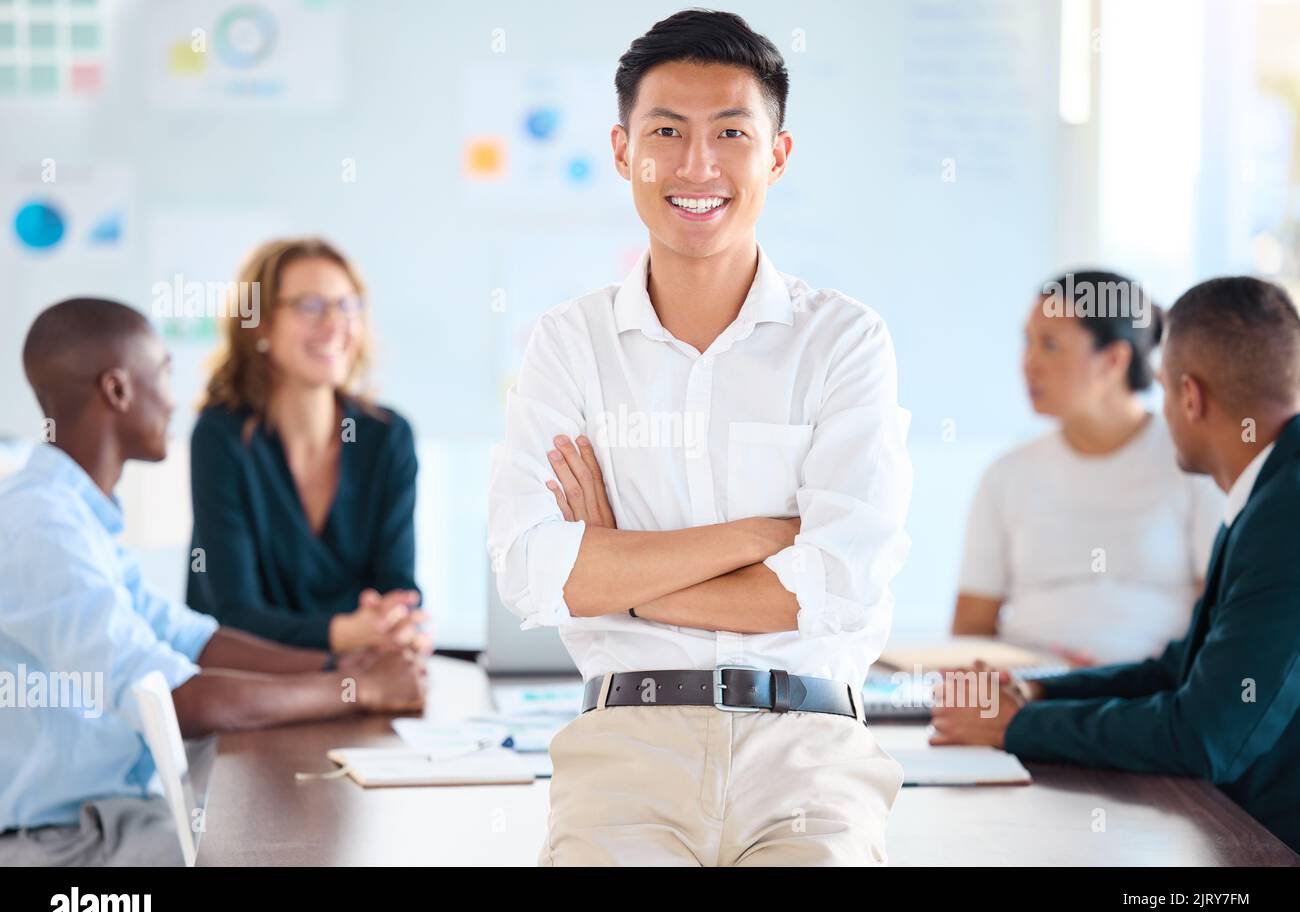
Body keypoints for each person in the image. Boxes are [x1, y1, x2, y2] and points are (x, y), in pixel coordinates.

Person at [487, 10, 911, 866]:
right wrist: (756, 539)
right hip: (627, 755)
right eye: (667, 132)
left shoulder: (844, 342)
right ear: (621, 151)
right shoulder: (570, 343)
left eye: (731, 133)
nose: (697, 166)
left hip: (809, 751)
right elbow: (532, 571)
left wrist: (618, 569)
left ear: (777, 156)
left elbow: (833, 586)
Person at [0, 298, 427, 866]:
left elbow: (193, 639)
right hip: (65, 847)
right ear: (118, 390)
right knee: (296, 848)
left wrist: (344, 667)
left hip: (114, 818)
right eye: (164, 374)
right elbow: (174, 699)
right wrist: (358, 689)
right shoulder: (41, 525)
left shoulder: (78, 514)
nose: (175, 401)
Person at [931, 276, 1300, 853]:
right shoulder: (1267, 492)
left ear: (1190, 398)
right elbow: (1183, 668)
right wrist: (1040, 695)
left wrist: (1015, 727)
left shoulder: (1284, 514)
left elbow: (1206, 736)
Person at [953, 271, 1222, 666]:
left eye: (1050, 345)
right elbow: (970, 630)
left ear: (1113, 360)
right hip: (1029, 703)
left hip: (1149, 701)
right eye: (1027, 342)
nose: (1029, 364)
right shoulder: (1006, 475)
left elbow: (1219, 621)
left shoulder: (1192, 462)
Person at [188, 238, 429, 654]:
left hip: (357, 685)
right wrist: (344, 633)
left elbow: (398, 586)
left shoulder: (387, 436)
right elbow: (234, 615)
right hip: (246, 686)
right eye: (311, 306)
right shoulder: (222, 436)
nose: (336, 325)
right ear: (260, 322)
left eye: (348, 305)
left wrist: (396, 621)